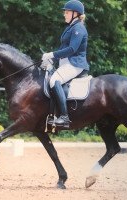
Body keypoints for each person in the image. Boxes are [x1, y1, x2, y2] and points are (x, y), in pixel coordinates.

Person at [42, 0, 89, 128]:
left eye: (67, 12)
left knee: (54, 80)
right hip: (66, 63)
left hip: (76, 64)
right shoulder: (71, 27)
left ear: (75, 13)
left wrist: (52, 54)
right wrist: (52, 60)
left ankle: (64, 117)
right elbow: (64, 48)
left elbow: (72, 49)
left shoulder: (79, 28)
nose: (64, 14)